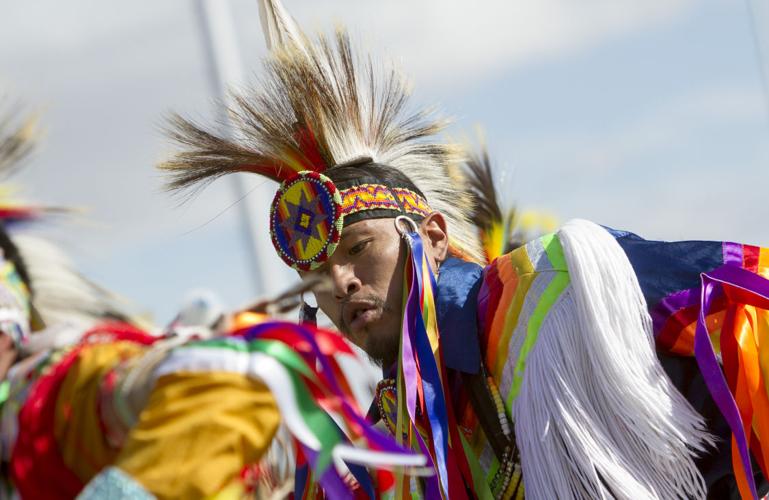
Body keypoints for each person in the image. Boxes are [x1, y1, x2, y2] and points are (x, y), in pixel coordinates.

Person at [161, 1, 769, 499]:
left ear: (430, 234)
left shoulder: (561, 289)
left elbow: (749, 300)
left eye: (357, 248)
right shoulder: (386, 445)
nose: (339, 282)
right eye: (316, 273)